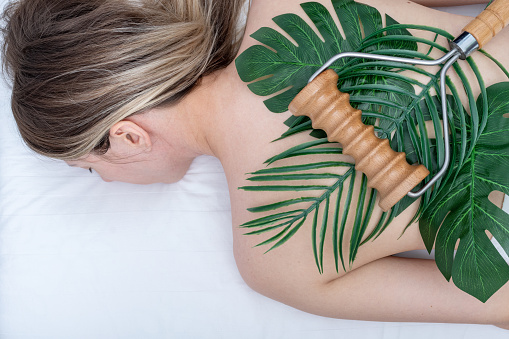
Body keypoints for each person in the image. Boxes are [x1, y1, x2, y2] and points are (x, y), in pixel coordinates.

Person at [2, 0, 508, 328]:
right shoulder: (285, 5)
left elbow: (499, 302)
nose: (106, 180)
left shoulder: (273, 259)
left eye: (91, 167)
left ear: (128, 137)